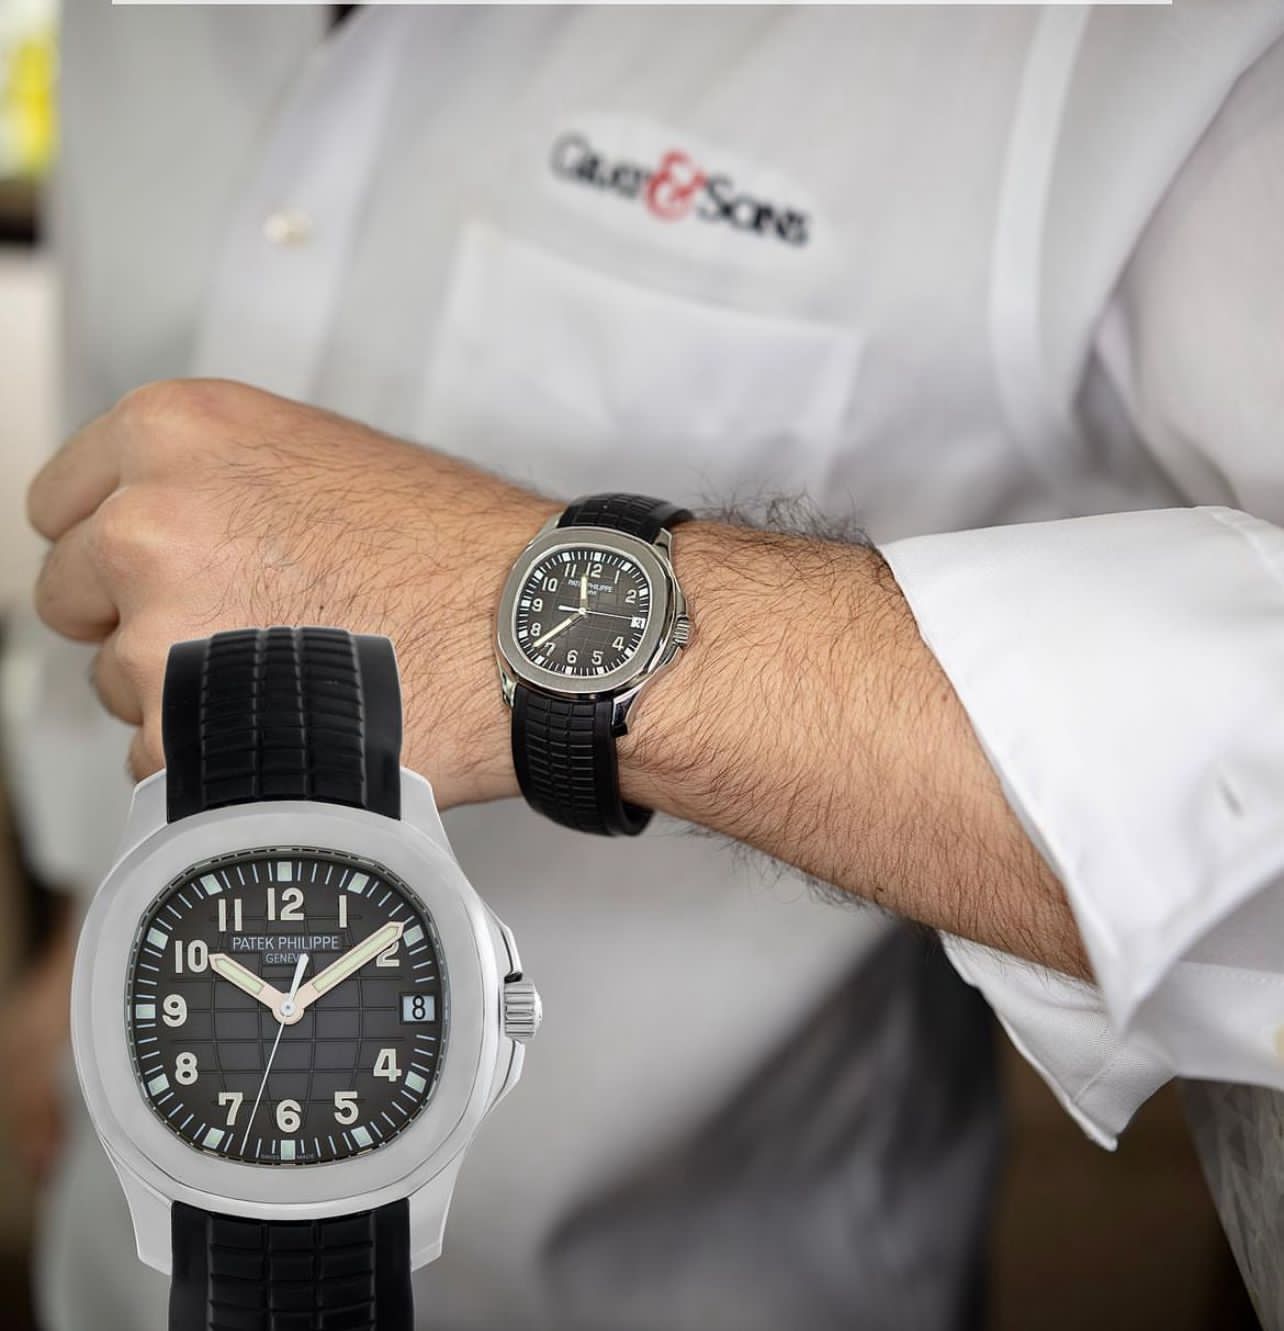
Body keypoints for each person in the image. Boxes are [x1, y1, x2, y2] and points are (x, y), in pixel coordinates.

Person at [7, 4, 1284, 1329]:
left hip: (697, 1268)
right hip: (132, 1244)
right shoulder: (123, 29)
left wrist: (484, 600)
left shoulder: (1121, 42)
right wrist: (82, 897)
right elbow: (138, 508)